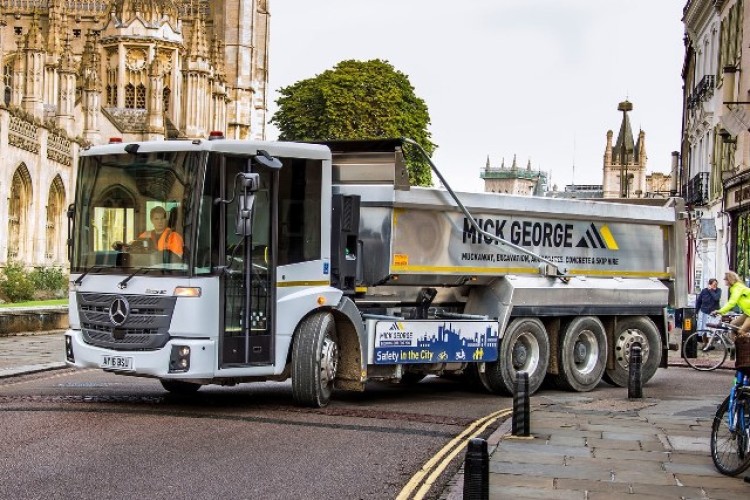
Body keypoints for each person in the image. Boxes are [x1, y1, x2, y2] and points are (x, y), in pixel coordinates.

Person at [712, 271, 750, 339]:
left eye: (725, 279)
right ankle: (733, 346)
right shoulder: (734, 288)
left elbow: (732, 303)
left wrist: (720, 311)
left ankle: (744, 345)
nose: (724, 281)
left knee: (741, 331)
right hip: (747, 313)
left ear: (729, 279)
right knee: (732, 324)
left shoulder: (738, 288)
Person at [695, 278, 721, 348]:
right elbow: (699, 302)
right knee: (703, 328)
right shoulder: (704, 291)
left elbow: (716, 298)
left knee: (711, 329)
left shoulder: (718, 290)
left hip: (714, 313)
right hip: (704, 312)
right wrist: (696, 312)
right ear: (709, 284)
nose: (715, 286)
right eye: (714, 284)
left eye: (716, 284)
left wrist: (711, 290)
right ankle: (705, 343)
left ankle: (710, 344)